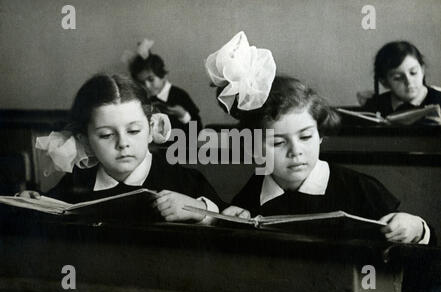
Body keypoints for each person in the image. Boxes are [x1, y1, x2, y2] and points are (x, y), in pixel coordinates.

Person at [205, 32, 433, 245]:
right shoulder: (253, 192)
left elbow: (420, 245)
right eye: (277, 142)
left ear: (320, 134)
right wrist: (228, 225)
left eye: (305, 136)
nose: (296, 151)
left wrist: (417, 229)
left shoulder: (358, 188)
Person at [19, 73, 222, 223]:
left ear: (151, 130)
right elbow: (47, 214)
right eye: (106, 135)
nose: (123, 143)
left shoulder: (183, 180)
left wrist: (199, 209)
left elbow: (228, 218)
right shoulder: (76, 182)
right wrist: (29, 205)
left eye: (133, 131)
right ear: (86, 140)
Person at [128, 39, 203, 134]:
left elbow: (198, 130)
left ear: (162, 75)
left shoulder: (179, 95)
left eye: (151, 79)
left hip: (181, 146)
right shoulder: (143, 99)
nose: (147, 86)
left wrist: (183, 115)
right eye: (142, 83)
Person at [359, 41, 441, 123]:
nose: (409, 82)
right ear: (385, 82)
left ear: (422, 70)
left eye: (413, 73)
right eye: (397, 78)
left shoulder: (438, 99)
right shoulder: (375, 106)